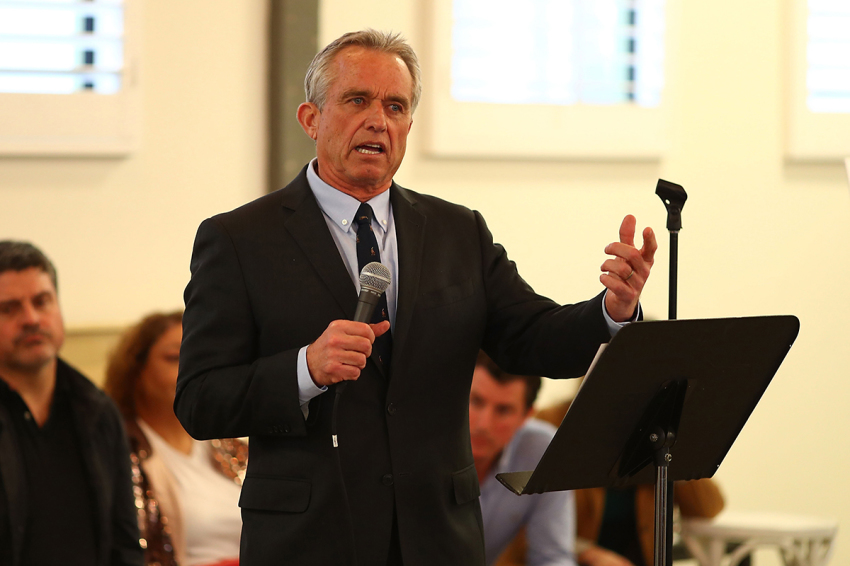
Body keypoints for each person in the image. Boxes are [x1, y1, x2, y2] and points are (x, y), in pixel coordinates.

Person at [175, 29, 657, 566]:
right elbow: (200, 400)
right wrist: (305, 369)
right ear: (311, 119)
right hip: (311, 539)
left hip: (437, 538)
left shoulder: (457, 231)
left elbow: (533, 339)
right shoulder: (240, 240)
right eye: (358, 100)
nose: (378, 120)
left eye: (396, 106)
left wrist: (610, 311)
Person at [0, 240, 142, 566]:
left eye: (42, 301)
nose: (31, 319)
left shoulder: (97, 410)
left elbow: (124, 540)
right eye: (9, 308)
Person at [104, 311, 247, 566]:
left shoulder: (230, 443)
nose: (189, 368)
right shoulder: (118, 448)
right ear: (135, 369)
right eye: (173, 358)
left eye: (199, 358)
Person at [471, 351, 576, 566]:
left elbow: (551, 556)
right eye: (476, 401)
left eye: (503, 410)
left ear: (526, 416)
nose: (483, 424)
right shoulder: (418, 443)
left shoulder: (543, 451)